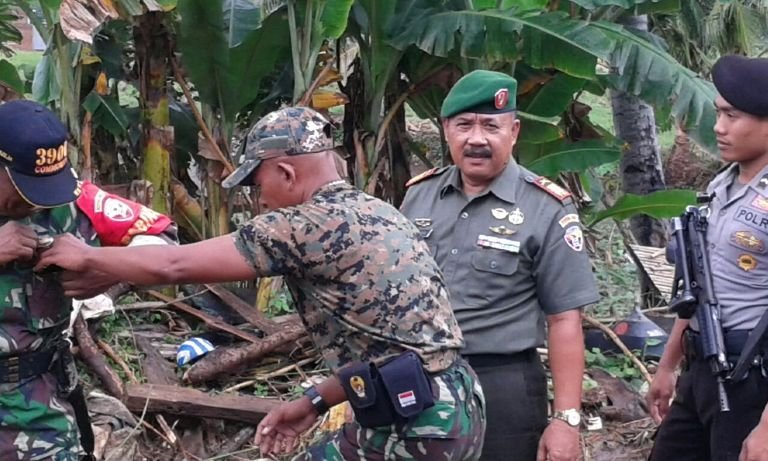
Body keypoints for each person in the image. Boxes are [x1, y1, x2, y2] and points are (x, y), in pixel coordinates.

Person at [37, 106, 487, 460]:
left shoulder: (303, 225)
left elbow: (175, 265)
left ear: (286, 174)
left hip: (415, 421)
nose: (259, 198)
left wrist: (89, 256)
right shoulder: (379, 212)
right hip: (457, 404)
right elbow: (388, 349)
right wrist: (311, 402)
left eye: (258, 183)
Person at [400, 70, 600, 461]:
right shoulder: (418, 197)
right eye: (464, 125)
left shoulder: (546, 207)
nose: (476, 139)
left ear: (514, 131)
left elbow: (565, 320)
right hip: (418, 379)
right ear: (445, 130)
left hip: (501, 386)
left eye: (491, 126)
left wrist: (566, 419)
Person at [0, 99, 177, 461]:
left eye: (46, 185)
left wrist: (106, 267)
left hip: (35, 407)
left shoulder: (75, 200)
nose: (36, 202)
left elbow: (165, 240)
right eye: (24, 187)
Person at [647, 55, 768, 461]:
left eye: (733, 116)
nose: (718, 128)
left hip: (751, 380)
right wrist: (667, 367)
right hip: (700, 370)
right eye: (718, 113)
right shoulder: (721, 187)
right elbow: (700, 288)